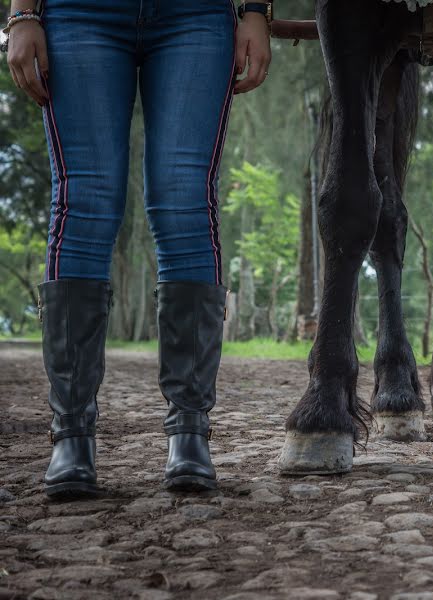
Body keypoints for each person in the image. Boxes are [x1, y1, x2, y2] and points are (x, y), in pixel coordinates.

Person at [5, 0, 273, 498]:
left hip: (194, 14)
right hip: (78, 12)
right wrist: (22, 13)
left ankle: (191, 429)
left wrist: (255, 9)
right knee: (84, 201)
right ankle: (72, 435)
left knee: (186, 202)